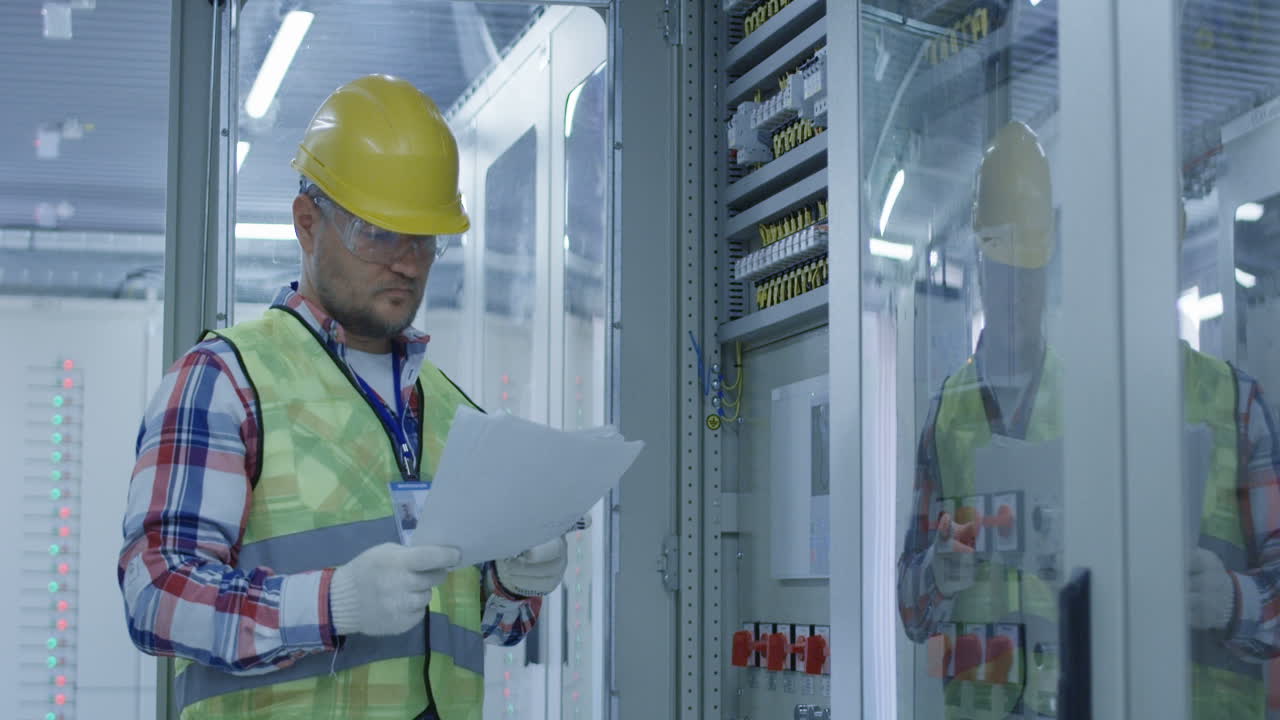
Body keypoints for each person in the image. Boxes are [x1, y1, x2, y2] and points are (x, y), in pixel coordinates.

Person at [119, 74, 568, 720]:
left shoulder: (451, 411)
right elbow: (157, 594)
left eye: (424, 238)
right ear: (307, 224)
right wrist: (332, 604)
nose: (407, 262)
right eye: (379, 233)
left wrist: (512, 583)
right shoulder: (226, 381)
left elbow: (489, 627)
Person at [896, 120, 1280, 719]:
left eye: (1028, 274)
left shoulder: (1235, 404)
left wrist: (1232, 599)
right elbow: (911, 608)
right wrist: (938, 576)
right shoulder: (958, 414)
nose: (1015, 294)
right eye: (1004, 270)